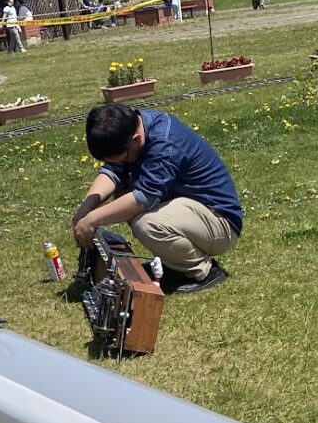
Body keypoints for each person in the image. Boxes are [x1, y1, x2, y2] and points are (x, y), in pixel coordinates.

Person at [73, 103, 241, 295]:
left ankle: (203, 271)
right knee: (124, 199)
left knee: (146, 224)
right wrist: (84, 211)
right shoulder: (131, 129)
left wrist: (92, 219)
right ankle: (174, 262)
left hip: (221, 222)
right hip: (192, 212)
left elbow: (143, 198)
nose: (118, 164)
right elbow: (112, 172)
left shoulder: (164, 144)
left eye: (120, 159)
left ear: (136, 140)